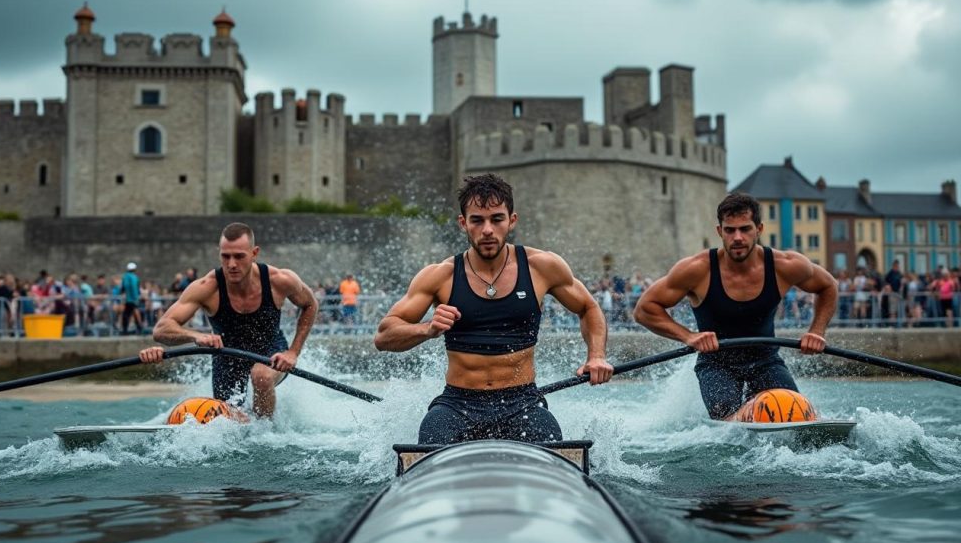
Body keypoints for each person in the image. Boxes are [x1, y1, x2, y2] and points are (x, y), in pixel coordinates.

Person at [374, 173, 613, 444]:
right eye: (477, 220)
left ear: (512, 220)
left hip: (522, 403)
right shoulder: (440, 275)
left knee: (553, 442)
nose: (487, 229)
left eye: (497, 219)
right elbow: (384, 336)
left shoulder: (542, 266)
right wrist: (427, 329)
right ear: (463, 223)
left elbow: (589, 307)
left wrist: (596, 356)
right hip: (457, 404)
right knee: (430, 436)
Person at [633, 192, 837, 420]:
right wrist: (688, 336)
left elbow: (828, 286)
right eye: (730, 230)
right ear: (720, 232)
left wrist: (816, 331)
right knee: (732, 421)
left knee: (799, 415)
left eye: (745, 229)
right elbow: (644, 309)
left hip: (766, 362)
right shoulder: (697, 269)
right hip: (716, 365)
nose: (737, 237)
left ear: (759, 229)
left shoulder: (786, 265)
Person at [139, 223, 319, 417]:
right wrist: (195, 336)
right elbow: (162, 329)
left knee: (261, 377)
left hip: (272, 352)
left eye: (239, 256)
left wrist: (293, 353)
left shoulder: (279, 280)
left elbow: (310, 305)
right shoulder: (207, 287)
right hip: (227, 359)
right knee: (230, 423)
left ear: (254, 253)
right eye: (226, 256)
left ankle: (266, 435)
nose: (232, 264)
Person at [120, 262, 143, 335]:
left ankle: (125, 329)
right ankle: (139, 328)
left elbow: (123, 288)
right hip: (133, 299)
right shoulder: (135, 277)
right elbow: (136, 288)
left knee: (126, 314)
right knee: (134, 312)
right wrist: (136, 297)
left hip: (128, 299)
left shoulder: (125, 276)